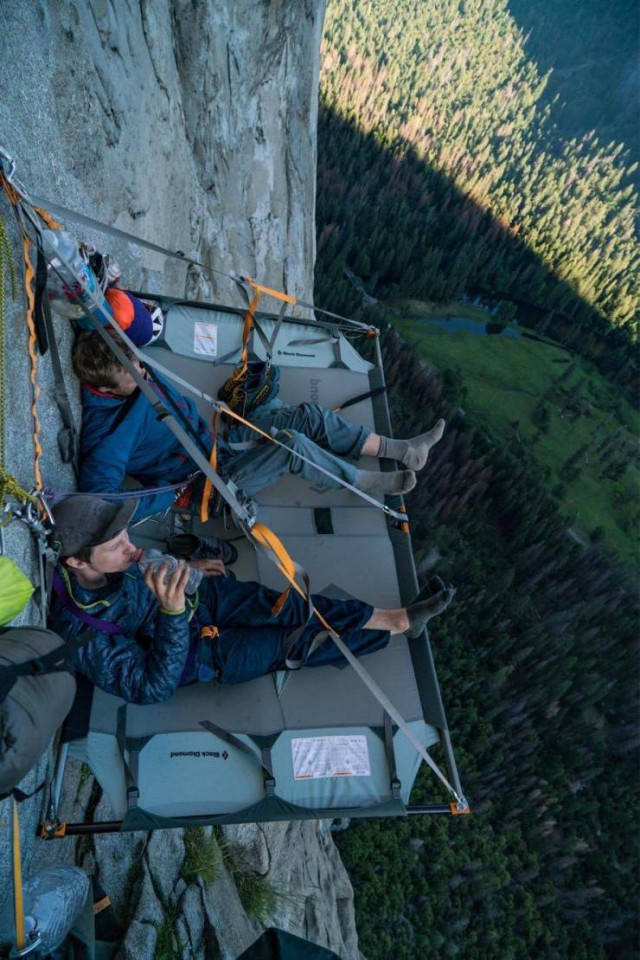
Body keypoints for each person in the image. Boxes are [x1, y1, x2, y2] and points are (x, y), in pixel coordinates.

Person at [48, 497, 455, 705]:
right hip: (199, 651)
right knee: (296, 641)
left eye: (125, 536)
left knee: (289, 606)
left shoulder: (112, 564)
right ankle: (394, 629)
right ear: (76, 561)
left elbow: (148, 573)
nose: (130, 546)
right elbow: (151, 688)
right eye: (116, 545)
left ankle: (393, 618)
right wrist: (173, 615)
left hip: (200, 599)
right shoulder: (80, 630)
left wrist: (189, 569)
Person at [72, 333, 446, 519]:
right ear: (105, 389)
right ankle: (363, 483)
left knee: (308, 416)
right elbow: (99, 503)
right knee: (292, 444)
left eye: (137, 364)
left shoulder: (128, 372)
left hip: (216, 443)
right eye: (132, 374)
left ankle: (400, 450)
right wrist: (164, 497)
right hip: (207, 485)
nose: (141, 371)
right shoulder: (109, 436)